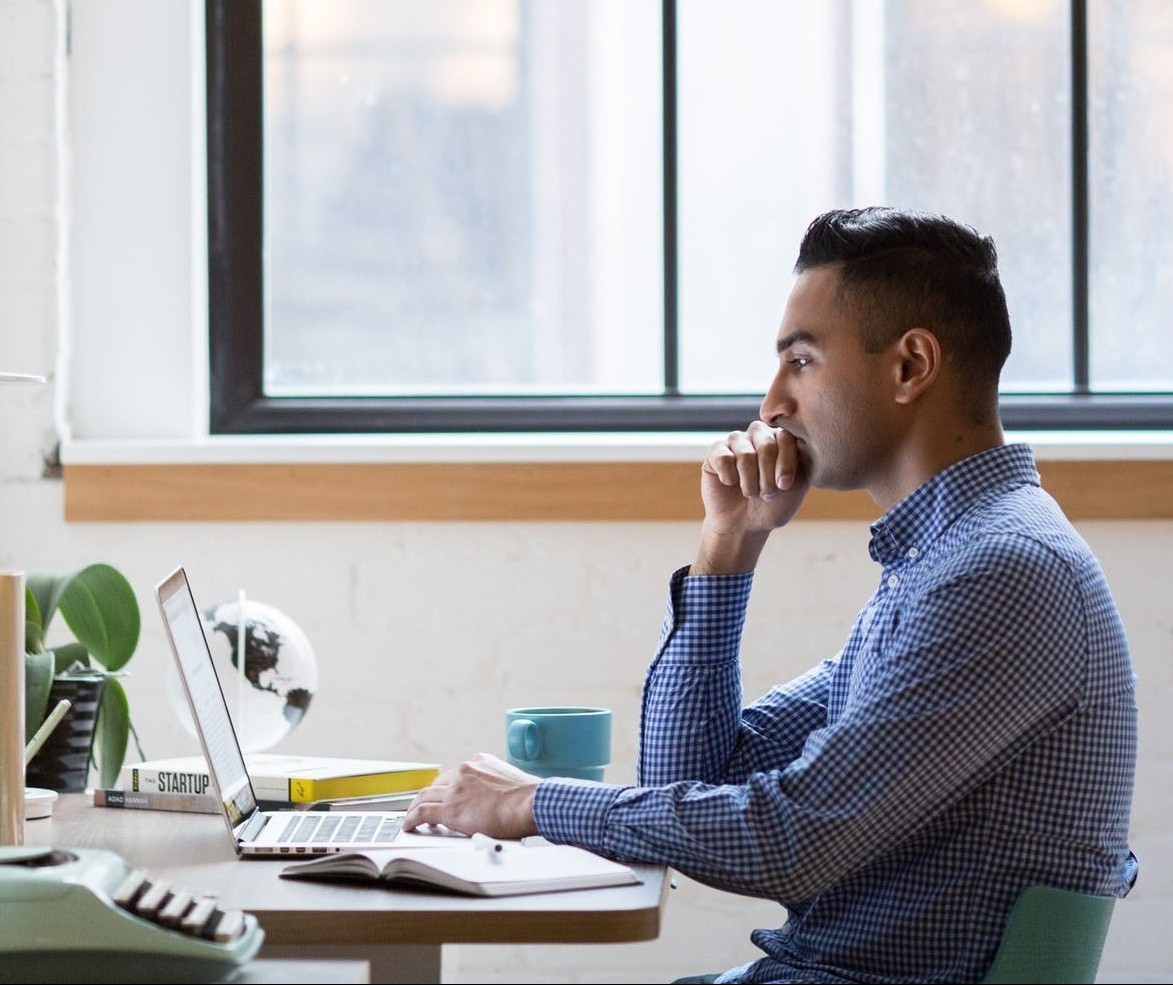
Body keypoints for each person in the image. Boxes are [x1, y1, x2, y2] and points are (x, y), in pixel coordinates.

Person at [403, 207, 1138, 983]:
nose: (770, 404)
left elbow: (792, 841)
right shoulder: (938, 564)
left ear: (910, 366)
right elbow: (688, 780)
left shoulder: (998, 572)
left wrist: (532, 802)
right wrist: (729, 545)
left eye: (802, 361)